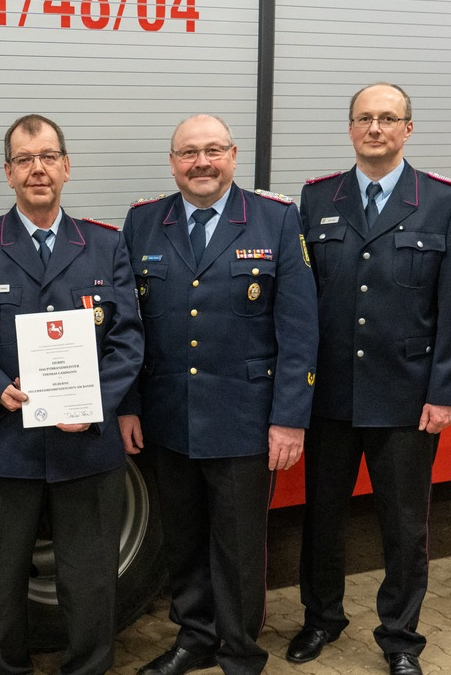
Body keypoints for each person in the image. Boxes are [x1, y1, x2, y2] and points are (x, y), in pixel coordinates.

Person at [117, 114, 318, 675]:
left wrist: (289, 420)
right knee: (181, 539)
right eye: (188, 153)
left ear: (232, 155)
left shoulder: (275, 220)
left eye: (212, 151)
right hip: (168, 415)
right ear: (173, 161)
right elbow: (128, 327)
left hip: (246, 419)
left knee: (237, 546)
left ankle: (239, 651)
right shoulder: (142, 222)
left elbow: (299, 329)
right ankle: (194, 637)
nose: (200, 162)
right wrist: (129, 405)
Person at [286, 83, 451, 675]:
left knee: (403, 525)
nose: (375, 128)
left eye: (388, 119)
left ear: (408, 130)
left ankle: (399, 638)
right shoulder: (315, 199)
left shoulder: (443, 201)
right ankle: (322, 619)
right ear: (349, 128)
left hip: (406, 395)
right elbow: (299, 302)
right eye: (364, 118)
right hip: (331, 395)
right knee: (322, 517)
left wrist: (446, 390)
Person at [0, 114, 143, 675]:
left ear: (67, 167)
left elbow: (129, 339)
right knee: (1, 581)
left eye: (48, 156)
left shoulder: (106, 245)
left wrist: (92, 403)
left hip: (86, 447)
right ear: (8, 172)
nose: (39, 169)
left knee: (90, 579)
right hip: (2, 444)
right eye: (25, 159)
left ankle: (89, 667)